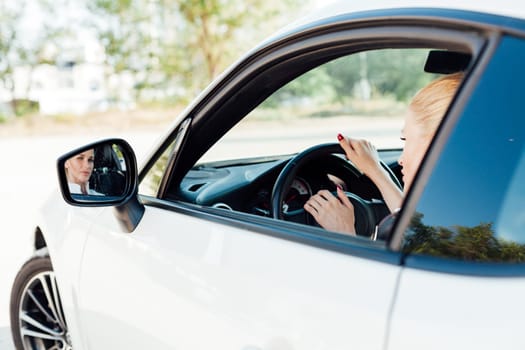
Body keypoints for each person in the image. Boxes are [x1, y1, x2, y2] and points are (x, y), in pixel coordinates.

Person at [304, 72, 463, 235]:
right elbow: (413, 229)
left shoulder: (445, 234)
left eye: (405, 139)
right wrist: (376, 171)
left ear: (436, 145)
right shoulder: (461, 214)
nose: (401, 160)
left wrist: (344, 232)